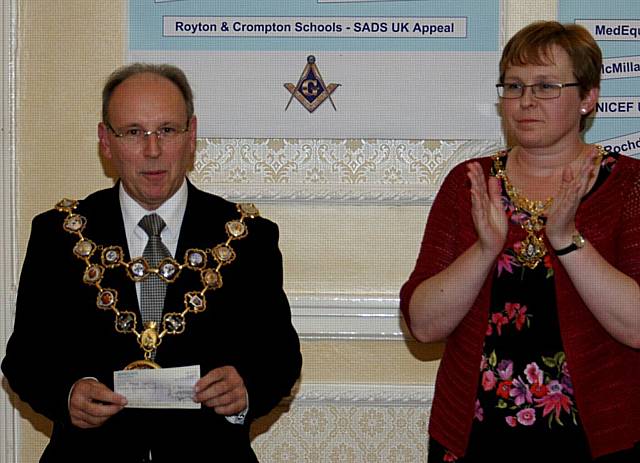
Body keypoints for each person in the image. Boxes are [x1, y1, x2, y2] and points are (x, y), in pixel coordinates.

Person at [2, 63, 302, 462]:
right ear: (105, 142)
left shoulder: (248, 236)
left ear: (191, 135)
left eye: (167, 130)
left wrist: (246, 388)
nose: (152, 150)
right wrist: (67, 394)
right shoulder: (59, 235)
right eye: (133, 132)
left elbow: (280, 355)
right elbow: (25, 358)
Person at [400, 21, 639, 462]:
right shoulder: (470, 183)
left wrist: (566, 240)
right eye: (513, 86)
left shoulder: (628, 186)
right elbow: (423, 325)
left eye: (546, 86)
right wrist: (485, 249)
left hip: (600, 437)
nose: (526, 101)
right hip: (475, 435)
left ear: (588, 97)